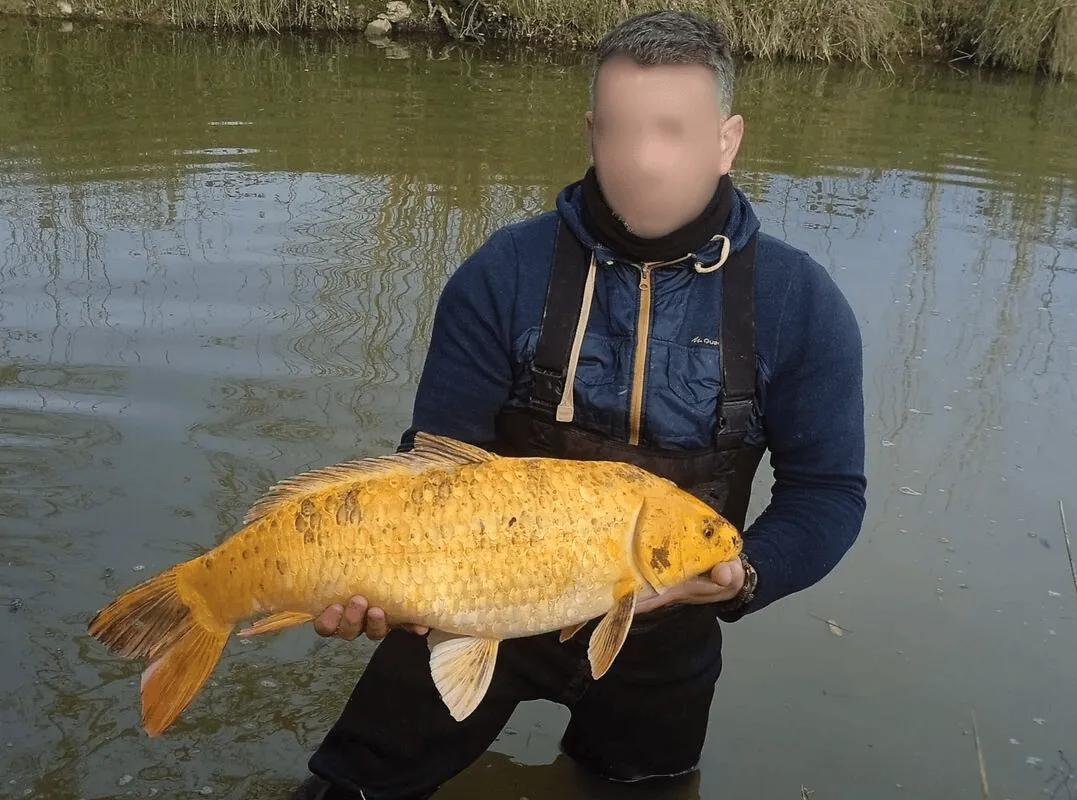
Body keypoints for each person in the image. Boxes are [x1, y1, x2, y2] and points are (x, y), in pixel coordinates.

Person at [291, 9, 866, 799]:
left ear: (726, 139)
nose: (644, 161)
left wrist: (745, 575)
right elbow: (432, 465)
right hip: (476, 598)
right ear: (591, 132)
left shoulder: (799, 303)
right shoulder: (502, 274)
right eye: (622, 131)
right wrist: (380, 581)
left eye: (672, 130)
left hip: (667, 629)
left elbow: (829, 492)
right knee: (348, 791)